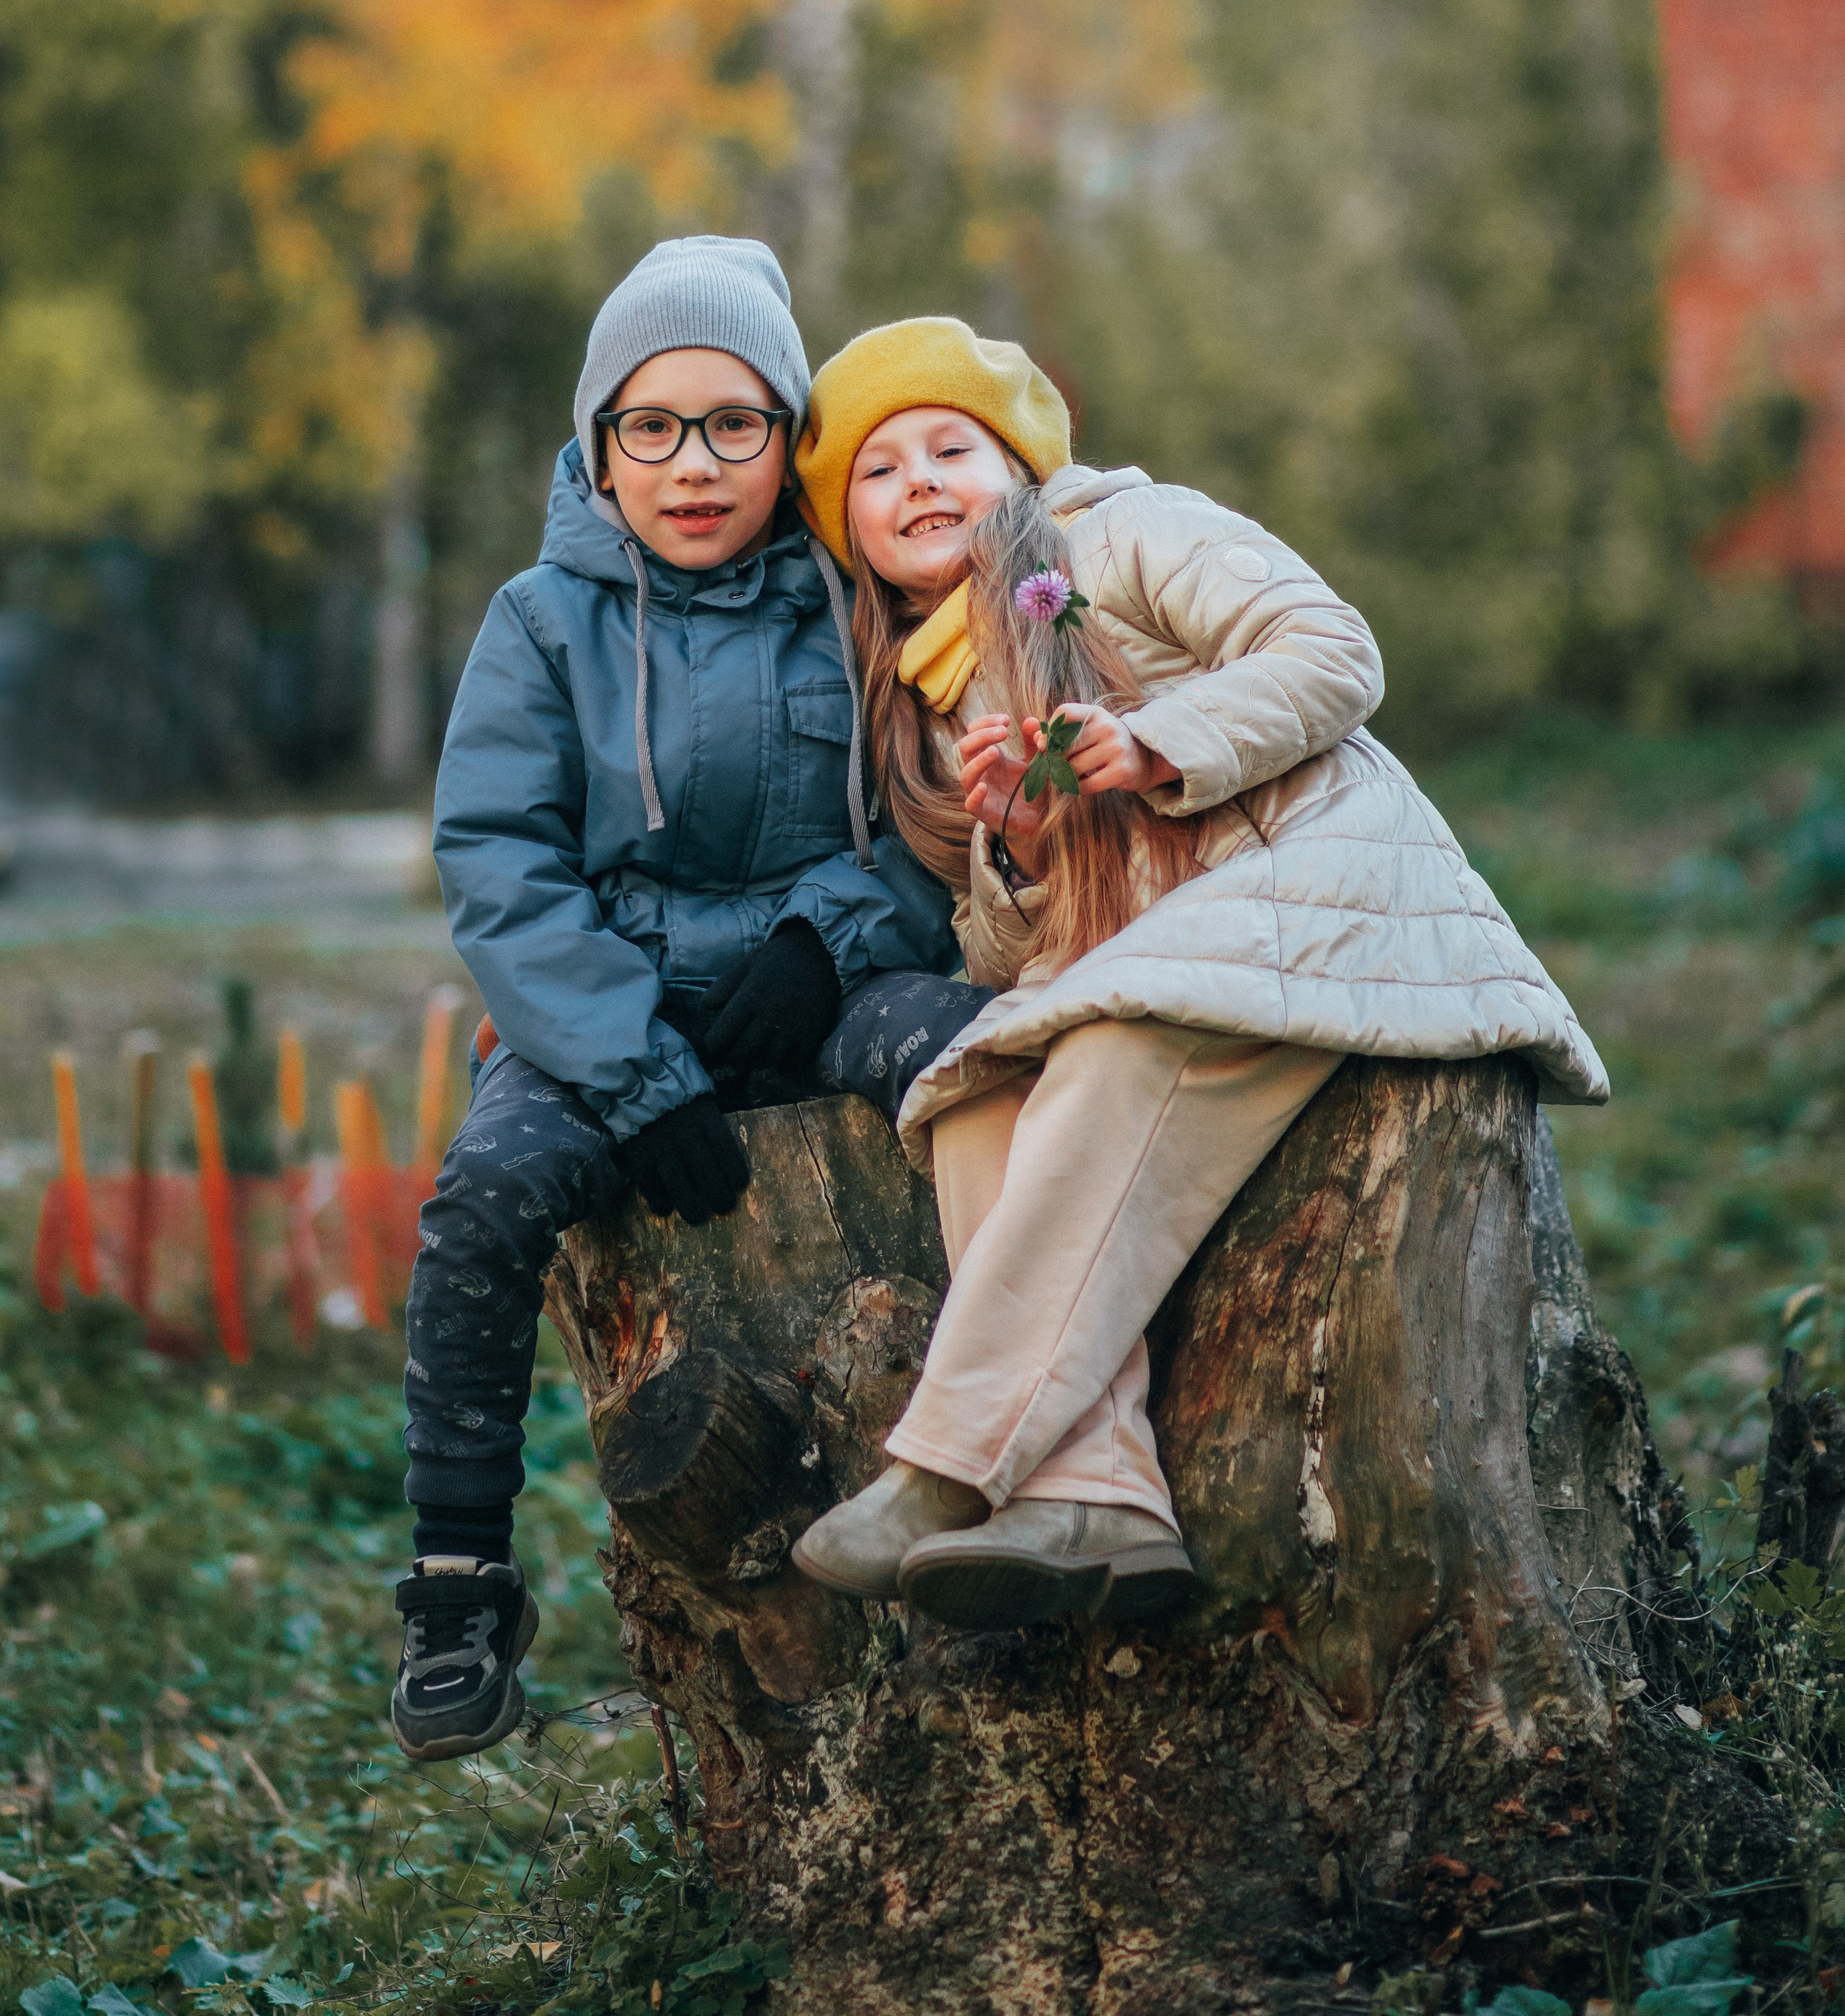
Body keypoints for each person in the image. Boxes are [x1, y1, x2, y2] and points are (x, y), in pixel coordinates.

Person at [787, 318, 1606, 1634]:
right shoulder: (930, 695)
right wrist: (1029, 847)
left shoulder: (1127, 532)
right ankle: (1097, 1495)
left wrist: (1155, 737)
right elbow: (1012, 959)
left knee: (1117, 1050)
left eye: (953, 445)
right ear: (850, 529)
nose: (921, 481)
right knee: (976, 1088)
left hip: (1324, 891)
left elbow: (1334, 652)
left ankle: (944, 1460)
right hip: (1185, 957)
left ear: (1024, 464)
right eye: (878, 473)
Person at [391, 241, 970, 1762]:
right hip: (609, 1011)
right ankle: (456, 1587)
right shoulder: (536, 622)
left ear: (787, 441)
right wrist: (632, 1068)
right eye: (649, 426)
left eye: (734, 423)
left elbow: (927, 825)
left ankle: (1017, 1439)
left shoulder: (857, 605)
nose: (693, 464)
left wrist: (826, 944)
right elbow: (502, 869)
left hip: (817, 983)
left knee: (986, 1069)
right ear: (596, 449)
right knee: (486, 1195)